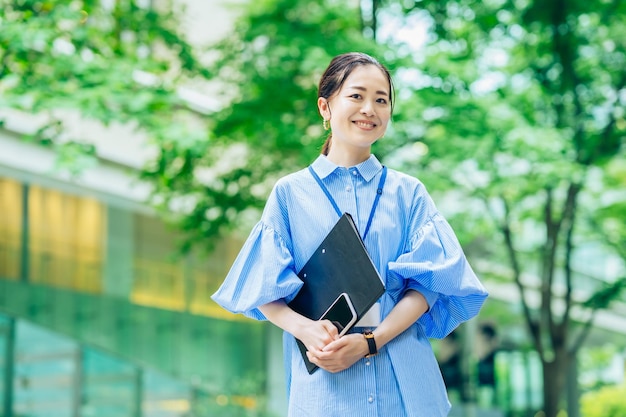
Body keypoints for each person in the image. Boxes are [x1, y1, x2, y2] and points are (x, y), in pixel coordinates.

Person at [212, 52, 488, 417]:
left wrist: (371, 342)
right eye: (356, 96)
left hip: (404, 382)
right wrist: (307, 331)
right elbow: (263, 287)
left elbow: (428, 286)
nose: (369, 109)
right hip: (326, 385)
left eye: (381, 100)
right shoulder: (290, 194)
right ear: (325, 107)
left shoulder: (409, 193)